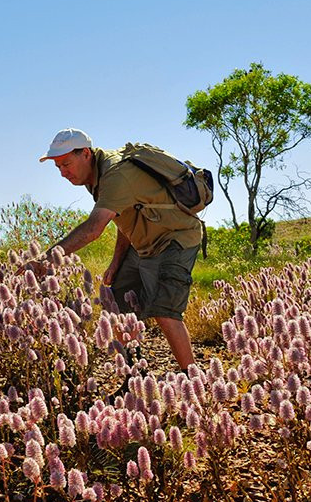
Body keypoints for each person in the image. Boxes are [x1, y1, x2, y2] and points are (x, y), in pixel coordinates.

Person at [34, 129, 203, 370]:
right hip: (143, 241)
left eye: (66, 164)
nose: (63, 173)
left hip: (174, 238)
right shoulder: (94, 177)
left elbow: (94, 229)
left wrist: (45, 261)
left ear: (86, 154)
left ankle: (193, 381)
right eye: (58, 167)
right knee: (119, 303)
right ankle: (134, 374)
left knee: (165, 311)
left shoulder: (115, 175)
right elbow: (125, 217)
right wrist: (116, 262)